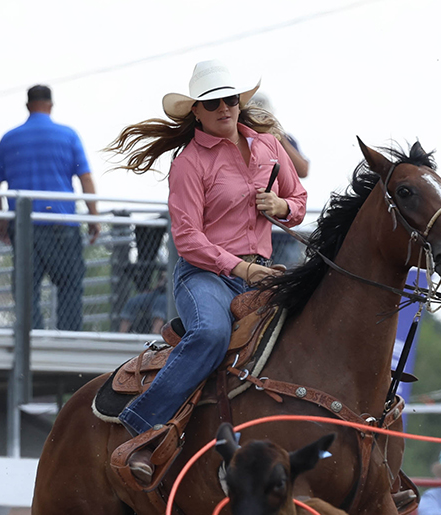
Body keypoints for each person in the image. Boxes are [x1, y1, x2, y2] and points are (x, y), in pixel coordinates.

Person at [103, 61, 307, 481]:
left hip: (260, 272)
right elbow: (187, 239)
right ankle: (142, 428)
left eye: (229, 99)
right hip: (204, 276)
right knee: (211, 334)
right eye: (212, 102)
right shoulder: (189, 163)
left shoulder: (269, 146)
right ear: (197, 110)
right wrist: (243, 271)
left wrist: (282, 208)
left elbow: (299, 199)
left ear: (238, 102)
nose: (224, 108)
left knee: (315, 329)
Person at [0, 85, 101, 331]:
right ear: (51, 105)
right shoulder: (68, 136)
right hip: (63, 223)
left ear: (28, 106)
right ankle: (70, 340)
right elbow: (86, 179)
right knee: (70, 284)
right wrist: (94, 217)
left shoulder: (10, 138)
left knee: (27, 288)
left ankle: (31, 340)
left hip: (24, 225)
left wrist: (2, 222)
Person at [249, 92, 310, 269]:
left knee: (288, 281)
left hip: (282, 231)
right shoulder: (243, 141)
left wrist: (277, 136)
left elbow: (303, 170)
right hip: (256, 235)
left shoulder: (283, 140)